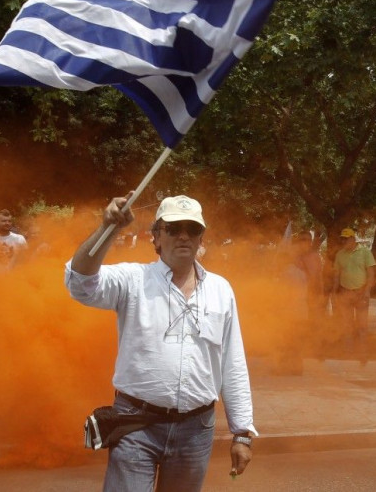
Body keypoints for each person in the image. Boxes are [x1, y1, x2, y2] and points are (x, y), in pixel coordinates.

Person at [65, 193, 256, 492]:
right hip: (135, 425)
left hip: (196, 431)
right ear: (156, 237)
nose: (183, 235)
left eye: (192, 229)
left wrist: (242, 432)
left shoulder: (221, 289)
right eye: (173, 227)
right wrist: (108, 229)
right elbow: (79, 283)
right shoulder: (133, 279)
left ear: (201, 238)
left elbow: (233, 363)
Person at [331, 228, 376, 361]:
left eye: (346, 238)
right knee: (347, 324)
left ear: (353, 239)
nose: (343, 241)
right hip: (345, 292)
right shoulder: (340, 254)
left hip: (361, 292)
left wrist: (367, 291)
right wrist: (334, 292)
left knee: (362, 324)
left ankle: (362, 352)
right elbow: (336, 275)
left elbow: (371, 273)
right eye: (342, 239)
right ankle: (348, 351)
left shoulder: (365, 252)